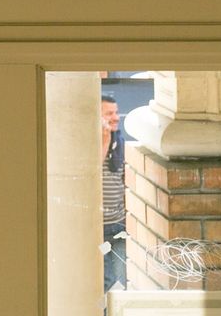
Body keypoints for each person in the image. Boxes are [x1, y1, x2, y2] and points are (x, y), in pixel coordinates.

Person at [101, 95, 127, 293]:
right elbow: (92, 171)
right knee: (107, 281)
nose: (116, 117)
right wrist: (104, 139)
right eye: (109, 113)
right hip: (98, 229)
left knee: (121, 282)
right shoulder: (89, 145)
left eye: (116, 112)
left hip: (118, 225)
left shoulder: (119, 143)